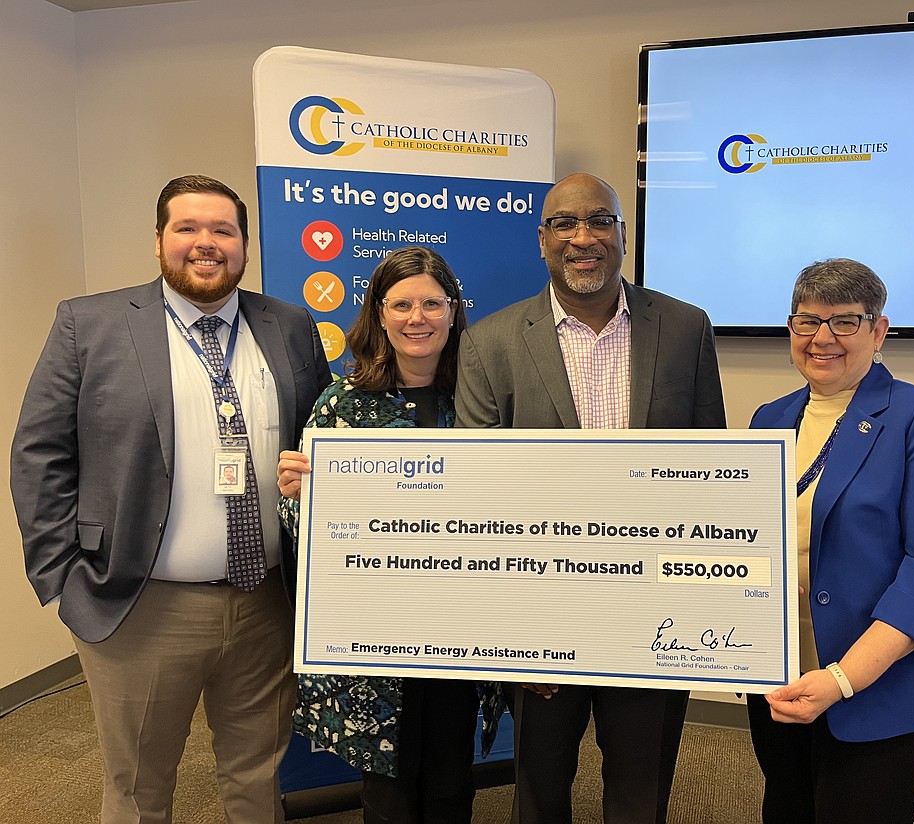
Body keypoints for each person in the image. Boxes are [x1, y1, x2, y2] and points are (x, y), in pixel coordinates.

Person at [10, 174, 332, 823]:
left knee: (256, 777)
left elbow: (322, 436)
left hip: (266, 601)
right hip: (139, 604)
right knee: (139, 788)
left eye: (223, 230)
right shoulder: (89, 323)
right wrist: (63, 579)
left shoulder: (290, 325)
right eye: (188, 228)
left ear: (243, 245)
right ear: (159, 241)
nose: (205, 243)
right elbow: (39, 453)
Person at [454, 173, 726, 824]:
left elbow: (711, 470)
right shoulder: (490, 343)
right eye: (565, 224)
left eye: (601, 221)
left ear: (624, 237)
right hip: (545, 615)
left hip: (654, 608)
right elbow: (477, 496)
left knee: (641, 786)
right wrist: (512, 634)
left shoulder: (685, 328)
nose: (584, 238)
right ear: (541, 241)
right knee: (541, 788)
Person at [746, 258, 914, 823]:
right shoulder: (770, 418)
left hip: (876, 681)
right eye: (807, 321)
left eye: (845, 322)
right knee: (786, 808)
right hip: (781, 675)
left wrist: (843, 678)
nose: (822, 338)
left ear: (879, 331)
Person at [276, 246, 505, 824]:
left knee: (453, 780)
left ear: (455, 311)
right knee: (389, 791)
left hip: (462, 626)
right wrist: (298, 498)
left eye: (432, 302)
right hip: (377, 633)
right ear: (378, 314)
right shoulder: (342, 406)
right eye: (401, 304)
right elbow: (304, 532)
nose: (417, 317)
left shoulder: (484, 401)